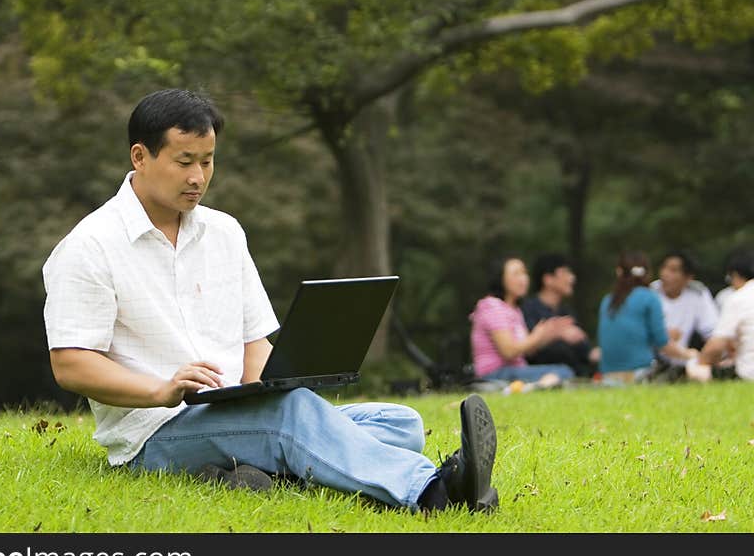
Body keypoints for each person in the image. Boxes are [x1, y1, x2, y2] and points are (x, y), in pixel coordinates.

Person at [41, 88, 499, 514]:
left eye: (208, 161)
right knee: (293, 423)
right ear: (140, 157)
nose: (198, 177)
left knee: (399, 422)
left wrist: (273, 389)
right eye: (184, 162)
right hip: (156, 434)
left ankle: (262, 472)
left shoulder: (224, 232)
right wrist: (160, 391)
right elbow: (71, 364)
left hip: (231, 413)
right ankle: (436, 492)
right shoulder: (91, 245)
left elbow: (254, 342)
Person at [470, 256, 575, 386]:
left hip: (513, 371)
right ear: (500, 278)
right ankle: (535, 387)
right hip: (495, 373)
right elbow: (508, 351)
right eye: (516, 274)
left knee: (564, 370)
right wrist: (537, 335)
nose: (524, 279)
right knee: (564, 371)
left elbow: (528, 350)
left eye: (524, 273)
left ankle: (535, 386)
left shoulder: (515, 310)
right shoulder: (492, 305)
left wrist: (548, 334)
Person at [597, 251, 696, 383]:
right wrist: (690, 354)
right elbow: (663, 344)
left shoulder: (607, 300)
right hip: (640, 372)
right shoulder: (649, 297)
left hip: (607, 376)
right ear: (647, 273)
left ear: (619, 272)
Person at [521, 253, 599, 377]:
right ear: (548, 279)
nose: (572, 278)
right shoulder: (528, 309)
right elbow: (527, 352)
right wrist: (557, 334)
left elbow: (586, 353)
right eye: (566, 273)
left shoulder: (566, 312)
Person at [687, 248, 754, 382]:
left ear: (736, 275)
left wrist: (699, 361)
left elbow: (716, 346)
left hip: (748, 374)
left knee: (695, 367)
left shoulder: (738, 298)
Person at [649, 250, 719, 376]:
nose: (665, 274)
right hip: (651, 361)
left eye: (673, 270)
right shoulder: (651, 292)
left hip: (684, 362)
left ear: (688, 278)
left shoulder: (698, 293)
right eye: (664, 268)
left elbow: (711, 331)